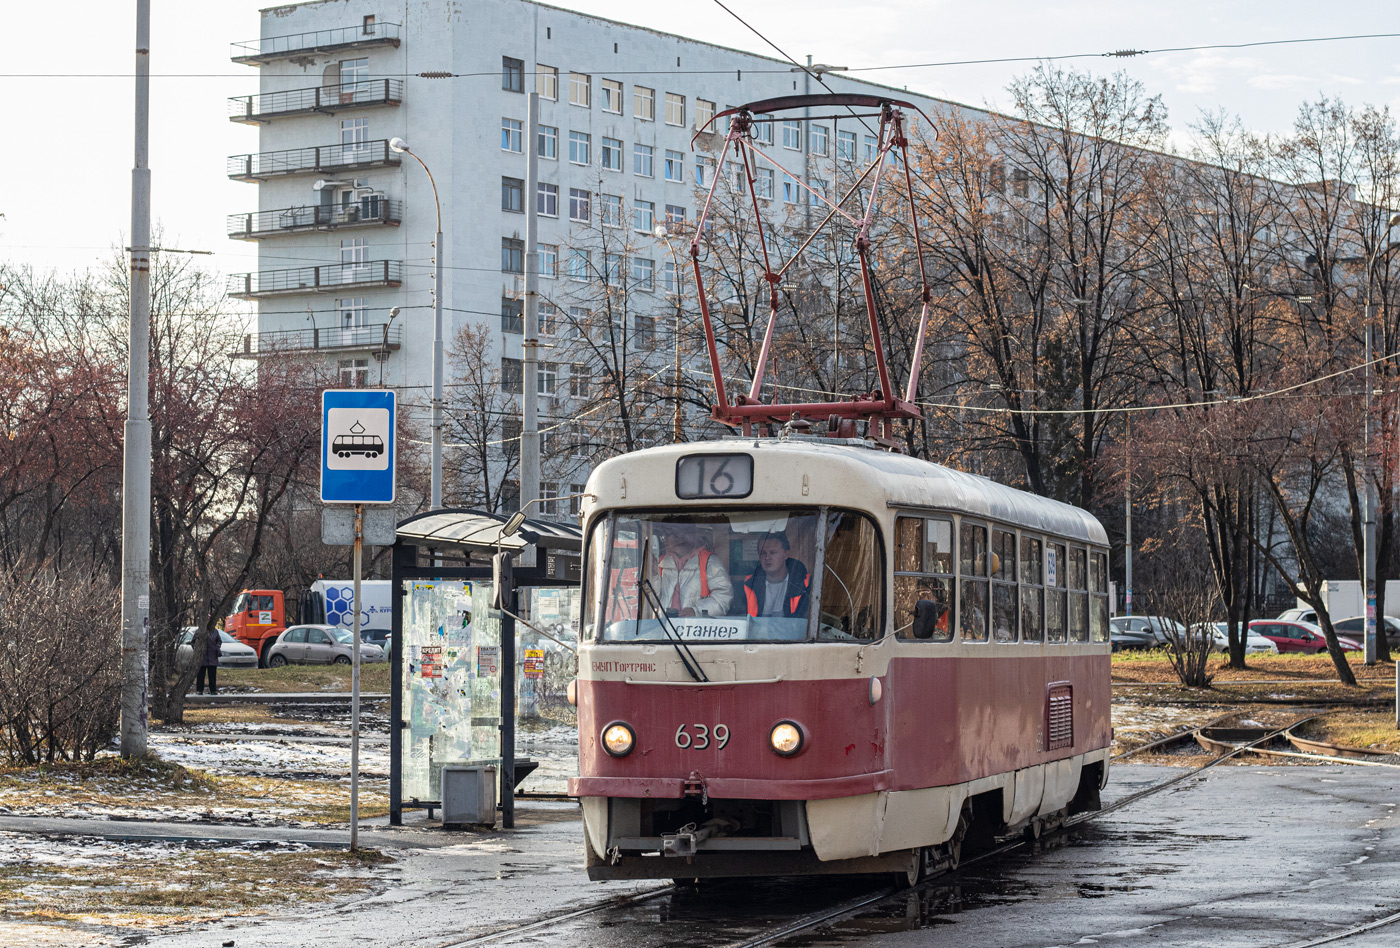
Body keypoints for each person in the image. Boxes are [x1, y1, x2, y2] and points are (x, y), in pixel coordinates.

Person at [654, 524, 733, 617]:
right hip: (665, 624)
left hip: (695, 625)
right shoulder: (662, 562)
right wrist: (653, 575)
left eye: (667, 535)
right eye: (662, 536)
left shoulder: (709, 562)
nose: (664, 540)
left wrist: (696, 611)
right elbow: (651, 600)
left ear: (682, 536)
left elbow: (723, 598)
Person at [738, 532, 810, 618]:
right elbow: (740, 617)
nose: (767, 557)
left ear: (786, 554)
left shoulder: (805, 583)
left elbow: (806, 620)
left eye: (772, 552)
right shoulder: (749, 584)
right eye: (763, 553)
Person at [196, 627, 221, 696]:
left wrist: (217, 647)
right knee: (201, 675)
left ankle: (213, 690)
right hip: (202, 657)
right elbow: (194, 642)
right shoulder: (199, 631)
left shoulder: (215, 631)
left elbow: (219, 641)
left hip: (212, 656)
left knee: (212, 675)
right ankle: (199, 690)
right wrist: (198, 650)